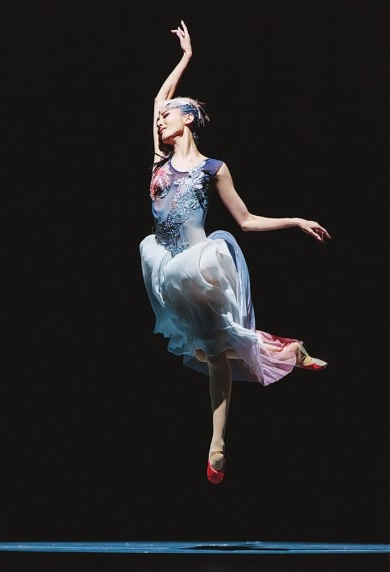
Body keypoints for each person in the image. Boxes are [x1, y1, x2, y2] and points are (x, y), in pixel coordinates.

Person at [139, 20, 331, 485]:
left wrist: (293, 220)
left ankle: (217, 444)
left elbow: (244, 220)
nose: (160, 119)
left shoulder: (213, 168)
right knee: (218, 347)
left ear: (188, 119)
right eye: (160, 117)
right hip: (163, 265)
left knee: (217, 351)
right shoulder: (159, 160)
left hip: (198, 265)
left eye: (169, 115)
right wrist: (185, 58)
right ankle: (291, 352)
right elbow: (159, 99)